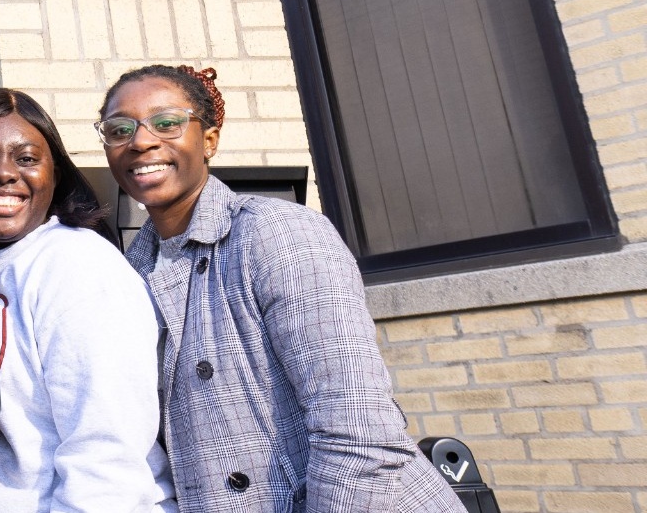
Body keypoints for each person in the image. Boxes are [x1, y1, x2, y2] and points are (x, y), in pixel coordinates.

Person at [100, 65, 464, 512]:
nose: (141, 141)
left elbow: (359, 429)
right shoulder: (129, 273)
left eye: (167, 122)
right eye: (120, 129)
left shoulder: (275, 233)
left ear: (209, 139)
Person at [0, 89, 176, 512]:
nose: (3, 173)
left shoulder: (77, 264)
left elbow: (106, 451)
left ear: (55, 173)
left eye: (27, 158)